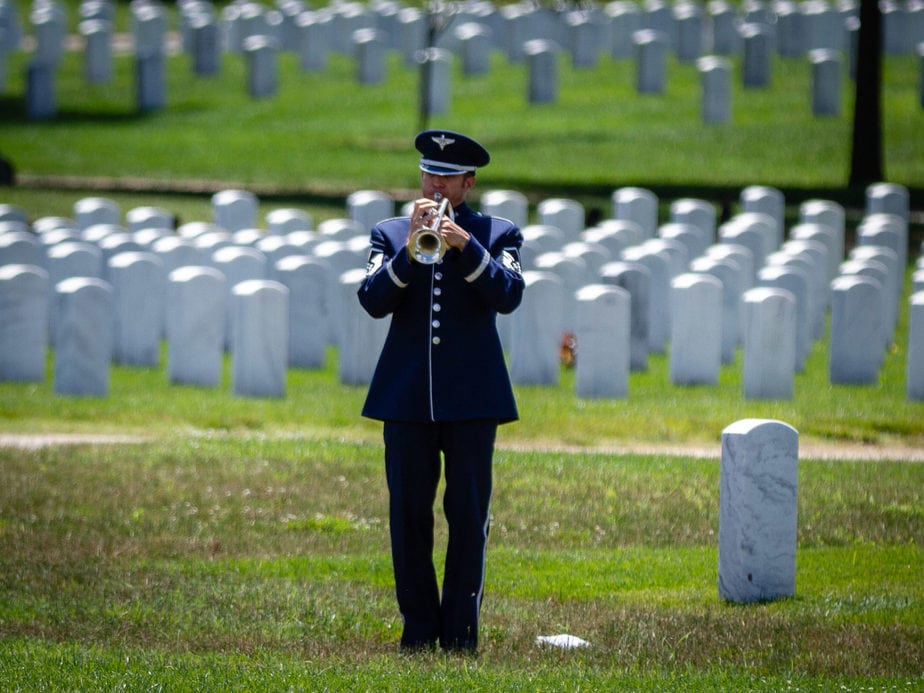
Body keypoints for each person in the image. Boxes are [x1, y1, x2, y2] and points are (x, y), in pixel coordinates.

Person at [357, 130, 525, 653]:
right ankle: (418, 629)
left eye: (447, 177)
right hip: (406, 399)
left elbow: (509, 294)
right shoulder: (388, 232)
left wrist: (465, 246)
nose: (436, 184)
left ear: (468, 184)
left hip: (474, 398)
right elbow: (372, 299)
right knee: (407, 514)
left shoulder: (498, 232)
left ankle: (460, 634)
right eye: (429, 173)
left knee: (468, 515)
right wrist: (410, 252)